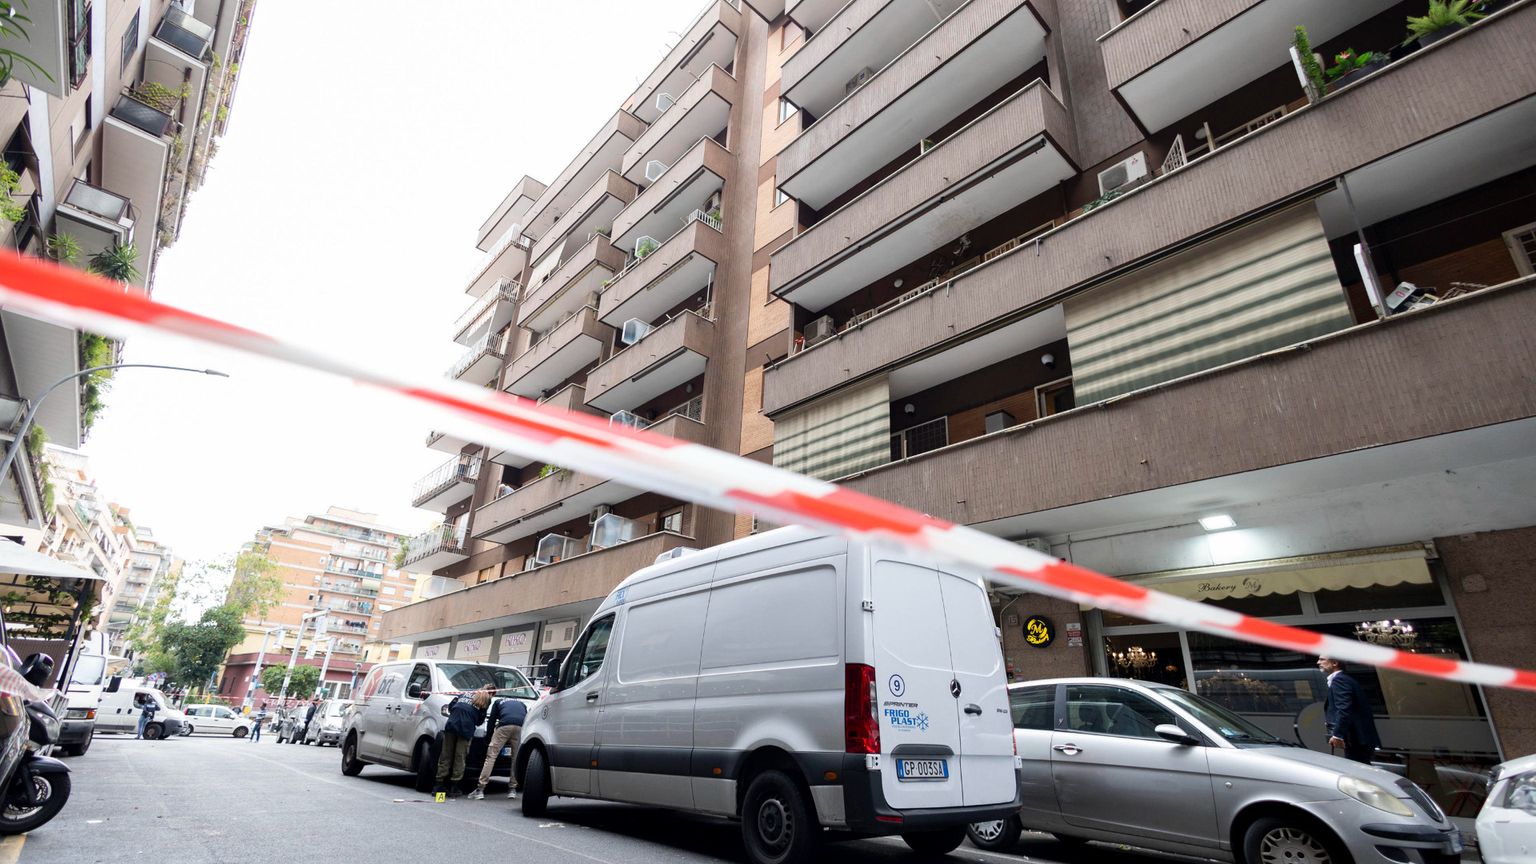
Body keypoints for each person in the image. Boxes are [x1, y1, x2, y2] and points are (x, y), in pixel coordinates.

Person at [1318, 656, 1381, 764]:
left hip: (1355, 739)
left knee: (1357, 774)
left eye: (1322, 659)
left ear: (1334, 663)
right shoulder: (1345, 679)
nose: (1318, 662)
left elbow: (1344, 710)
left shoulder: (1340, 680)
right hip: (1359, 739)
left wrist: (1337, 735)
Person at [470, 687, 527, 800]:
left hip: (504, 725)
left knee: (491, 756)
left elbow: (491, 721)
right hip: (520, 727)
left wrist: (488, 738)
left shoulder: (498, 702)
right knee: (515, 759)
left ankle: (480, 789)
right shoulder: (522, 703)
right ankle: (512, 789)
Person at [435, 688, 490, 798]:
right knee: (460, 757)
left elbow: (450, 708)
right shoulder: (482, 705)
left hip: (451, 726)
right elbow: (479, 722)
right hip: (465, 729)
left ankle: (438, 785)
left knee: (446, 755)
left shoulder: (463, 695)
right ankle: (454, 787)